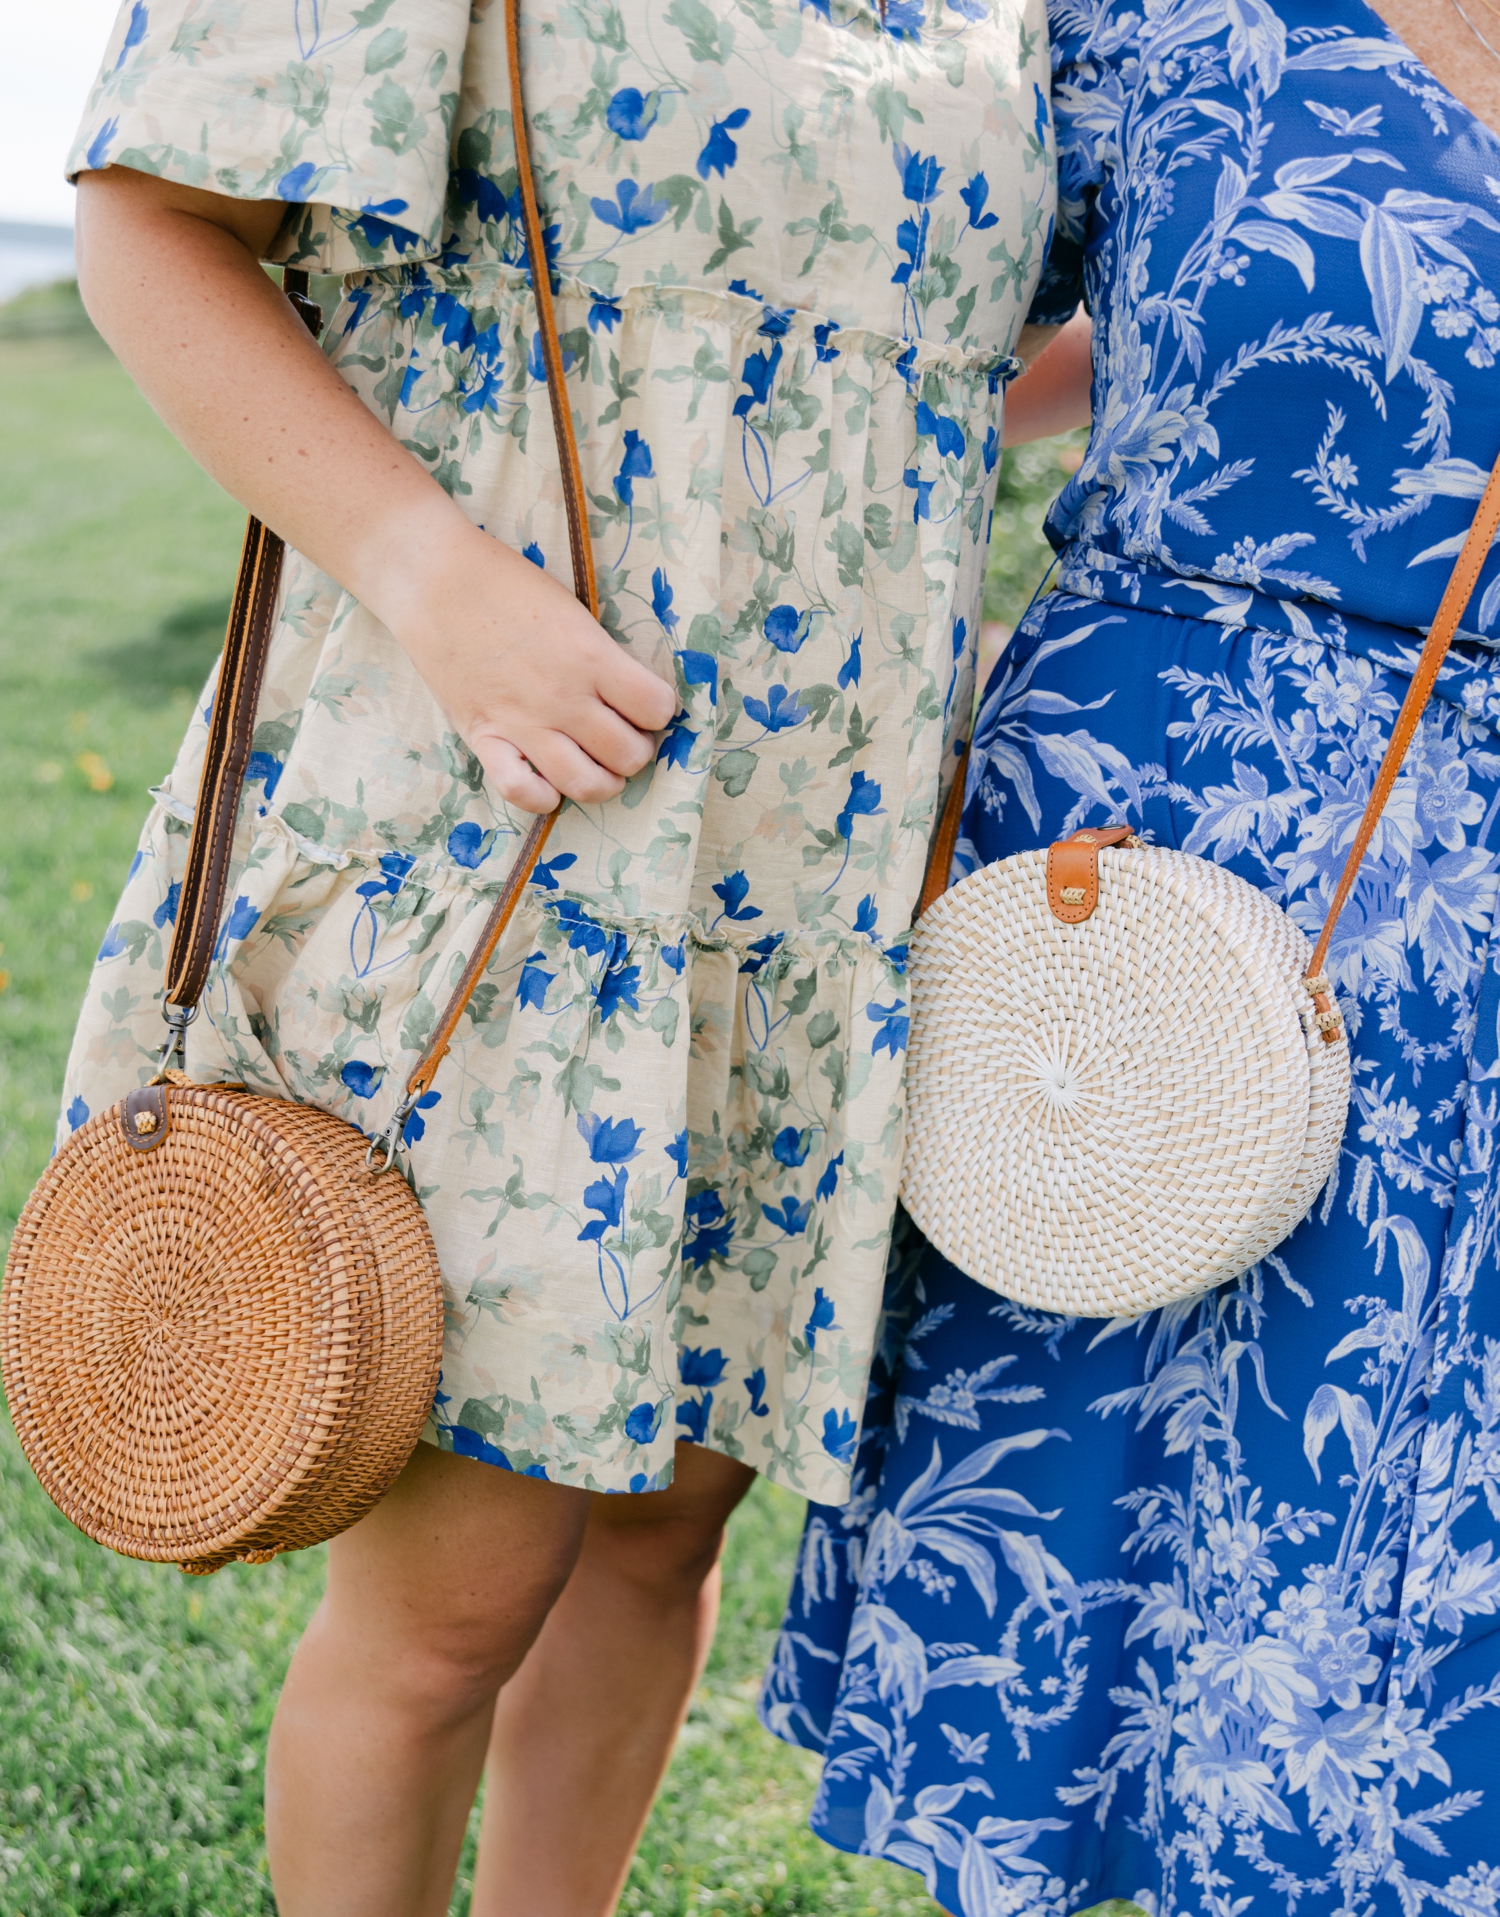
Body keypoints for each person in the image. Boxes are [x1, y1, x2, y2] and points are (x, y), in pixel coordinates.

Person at [56, 0, 1056, 1909]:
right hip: (514, 823)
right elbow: (147, 225)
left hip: (816, 879)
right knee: (450, 1610)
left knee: (656, 1539)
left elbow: (948, 340)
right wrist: (437, 578)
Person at [760, 3, 1500, 1913]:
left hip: (1473, 899)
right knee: (1078, 1512)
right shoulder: (1165, 20)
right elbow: (916, 314)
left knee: (1386, 1537)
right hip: (1133, 863)